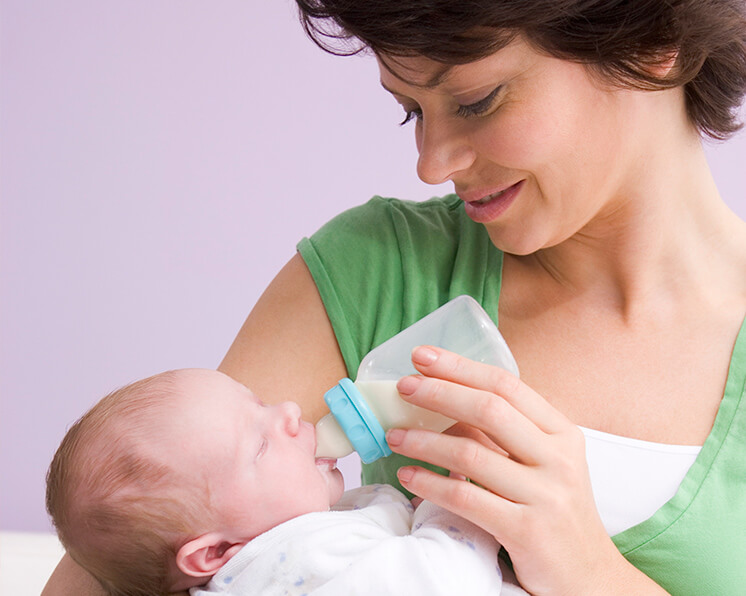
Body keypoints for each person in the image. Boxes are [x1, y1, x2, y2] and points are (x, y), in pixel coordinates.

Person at [44, 1, 746, 594]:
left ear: (655, 44)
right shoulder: (377, 270)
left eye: (476, 100)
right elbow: (133, 554)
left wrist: (590, 569)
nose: (432, 163)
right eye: (411, 111)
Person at [46, 368, 516, 596]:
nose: (290, 413)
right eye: (261, 446)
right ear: (214, 552)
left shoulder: (276, 560)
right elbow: (447, 583)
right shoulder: (302, 560)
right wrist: (460, 498)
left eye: (262, 404)